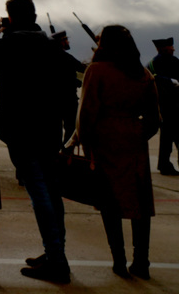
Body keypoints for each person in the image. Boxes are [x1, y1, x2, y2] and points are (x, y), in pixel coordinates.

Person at [0, 0, 72, 283]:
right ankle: (57, 252)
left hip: (20, 129)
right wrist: (69, 130)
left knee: (39, 192)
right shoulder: (51, 47)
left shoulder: (6, 44)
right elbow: (69, 89)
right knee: (52, 192)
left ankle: (57, 260)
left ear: (11, 17)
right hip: (49, 129)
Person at [75, 25, 160, 279]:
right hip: (135, 140)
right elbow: (155, 119)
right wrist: (135, 132)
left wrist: (86, 141)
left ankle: (119, 260)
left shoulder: (96, 71)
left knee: (109, 202)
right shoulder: (143, 74)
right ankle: (142, 260)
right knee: (140, 203)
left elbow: (86, 113)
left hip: (105, 140)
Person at [146, 37, 179, 175]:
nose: (173, 49)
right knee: (171, 136)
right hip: (172, 105)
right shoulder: (167, 61)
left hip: (162, 105)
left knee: (166, 137)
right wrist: (171, 81)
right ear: (165, 48)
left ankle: (164, 165)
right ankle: (164, 165)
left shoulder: (152, 62)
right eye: (171, 47)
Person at [52, 31, 87, 143]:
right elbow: (83, 69)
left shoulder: (49, 57)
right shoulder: (67, 57)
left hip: (53, 99)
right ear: (61, 42)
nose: (68, 41)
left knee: (55, 130)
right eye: (66, 39)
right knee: (71, 128)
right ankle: (66, 154)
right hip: (68, 99)